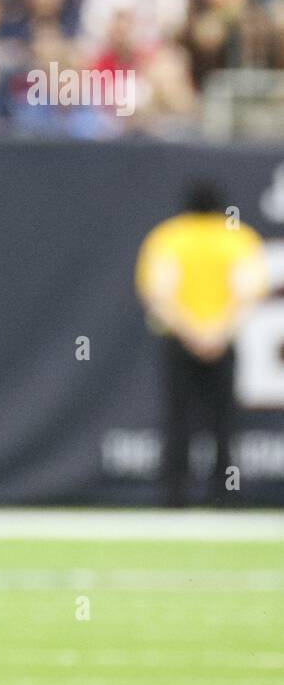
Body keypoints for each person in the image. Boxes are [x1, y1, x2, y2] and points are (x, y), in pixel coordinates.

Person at [136, 181, 269, 507]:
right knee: (222, 420)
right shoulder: (236, 237)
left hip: (179, 341)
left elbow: (158, 291)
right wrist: (216, 332)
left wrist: (191, 331)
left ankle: (173, 496)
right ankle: (222, 495)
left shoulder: (170, 236)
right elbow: (249, 290)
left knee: (177, 418)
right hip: (223, 340)